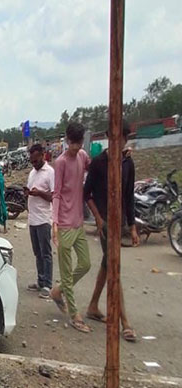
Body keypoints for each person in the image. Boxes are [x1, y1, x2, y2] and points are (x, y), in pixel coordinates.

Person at [84, 121, 140, 342]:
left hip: (120, 225)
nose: (118, 141)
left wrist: (133, 228)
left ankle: (93, 305)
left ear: (126, 138)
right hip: (106, 225)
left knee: (108, 266)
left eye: (121, 138)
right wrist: (98, 218)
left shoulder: (128, 163)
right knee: (114, 269)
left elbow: (129, 197)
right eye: (113, 137)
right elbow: (86, 193)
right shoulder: (98, 163)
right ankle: (124, 321)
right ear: (108, 136)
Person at [50, 122, 92, 333]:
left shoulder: (83, 156)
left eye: (79, 142)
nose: (76, 146)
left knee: (85, 264)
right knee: (67, 273)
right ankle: (75, 315)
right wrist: (54, 223)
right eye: (73, 142)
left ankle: (58, 291)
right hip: (65, 224)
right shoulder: (61, 163)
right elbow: (56, 193)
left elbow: (93, 170)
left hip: (78, 222)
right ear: (67, 140)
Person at [25, 144, 55, 299]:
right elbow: (31, 190)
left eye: (36, 160)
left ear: (43, 156)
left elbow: (53, 196)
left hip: (44, 219)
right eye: (31, 161)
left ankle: (48, 285)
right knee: (37, 253)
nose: (34, 163)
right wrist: (28, 193)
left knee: (46, 253)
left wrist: (39, 193)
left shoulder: (50, 173)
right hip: (33, 220)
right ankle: (40, 280)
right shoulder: (32, 173)